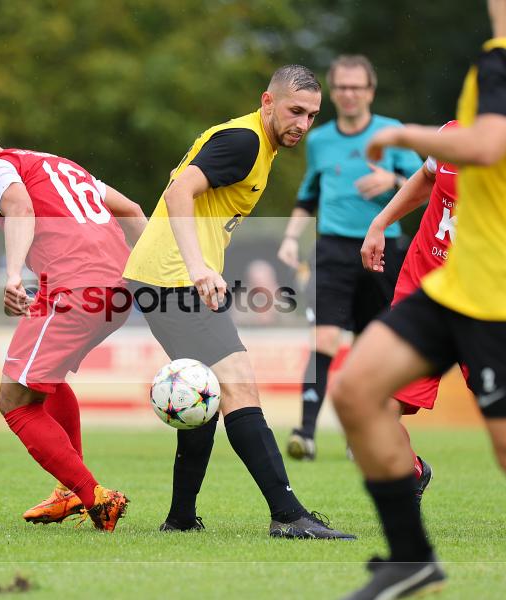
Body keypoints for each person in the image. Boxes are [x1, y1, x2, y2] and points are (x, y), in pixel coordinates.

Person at [329, 1, 506, 597]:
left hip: (505, 292)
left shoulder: (505, 63)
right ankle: (412, 561)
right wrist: (381, 220)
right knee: (356, 389)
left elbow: (486, 145)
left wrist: (403, 134)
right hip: (451, 286)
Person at [124, 64, 354, 540]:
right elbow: (178, 189)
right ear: (267, 101)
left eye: (312, 115)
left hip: (167, 278)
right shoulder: (246, 141)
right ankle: (289, 516)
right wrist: (197, 268)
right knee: (238, 386)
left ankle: (181, 519)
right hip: (173, 281)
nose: (303, 124)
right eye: (295, 111)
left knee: (204, 395)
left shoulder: (257, 144)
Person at [0, 121, 147, 532]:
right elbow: (131, 210)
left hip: (75, 287)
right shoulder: (60, 165)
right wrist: (162, 275)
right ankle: (69, 491)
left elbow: (20, 207)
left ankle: (95, 498)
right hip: (117, 292)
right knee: (47, 379)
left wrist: (12, 274)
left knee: (13, 401)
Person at [361, 119, 506, 539]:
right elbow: (426, 179)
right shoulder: (449, 136)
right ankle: (413, 472)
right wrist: (380, 224)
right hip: (426, 292)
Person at [276, 55, 424, 461]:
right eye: (341, 87)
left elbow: (423, 182)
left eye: (357, 87)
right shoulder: (320, 139)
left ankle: (359, 432)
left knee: (371, 346)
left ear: (370, 91)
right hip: (333, 248)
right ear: (333, 91)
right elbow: (308, 195)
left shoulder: (391, 132)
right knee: (324, 338)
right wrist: (291, 238)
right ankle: (304, 433)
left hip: (382, 250)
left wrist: (391, 179)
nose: (349, 94)